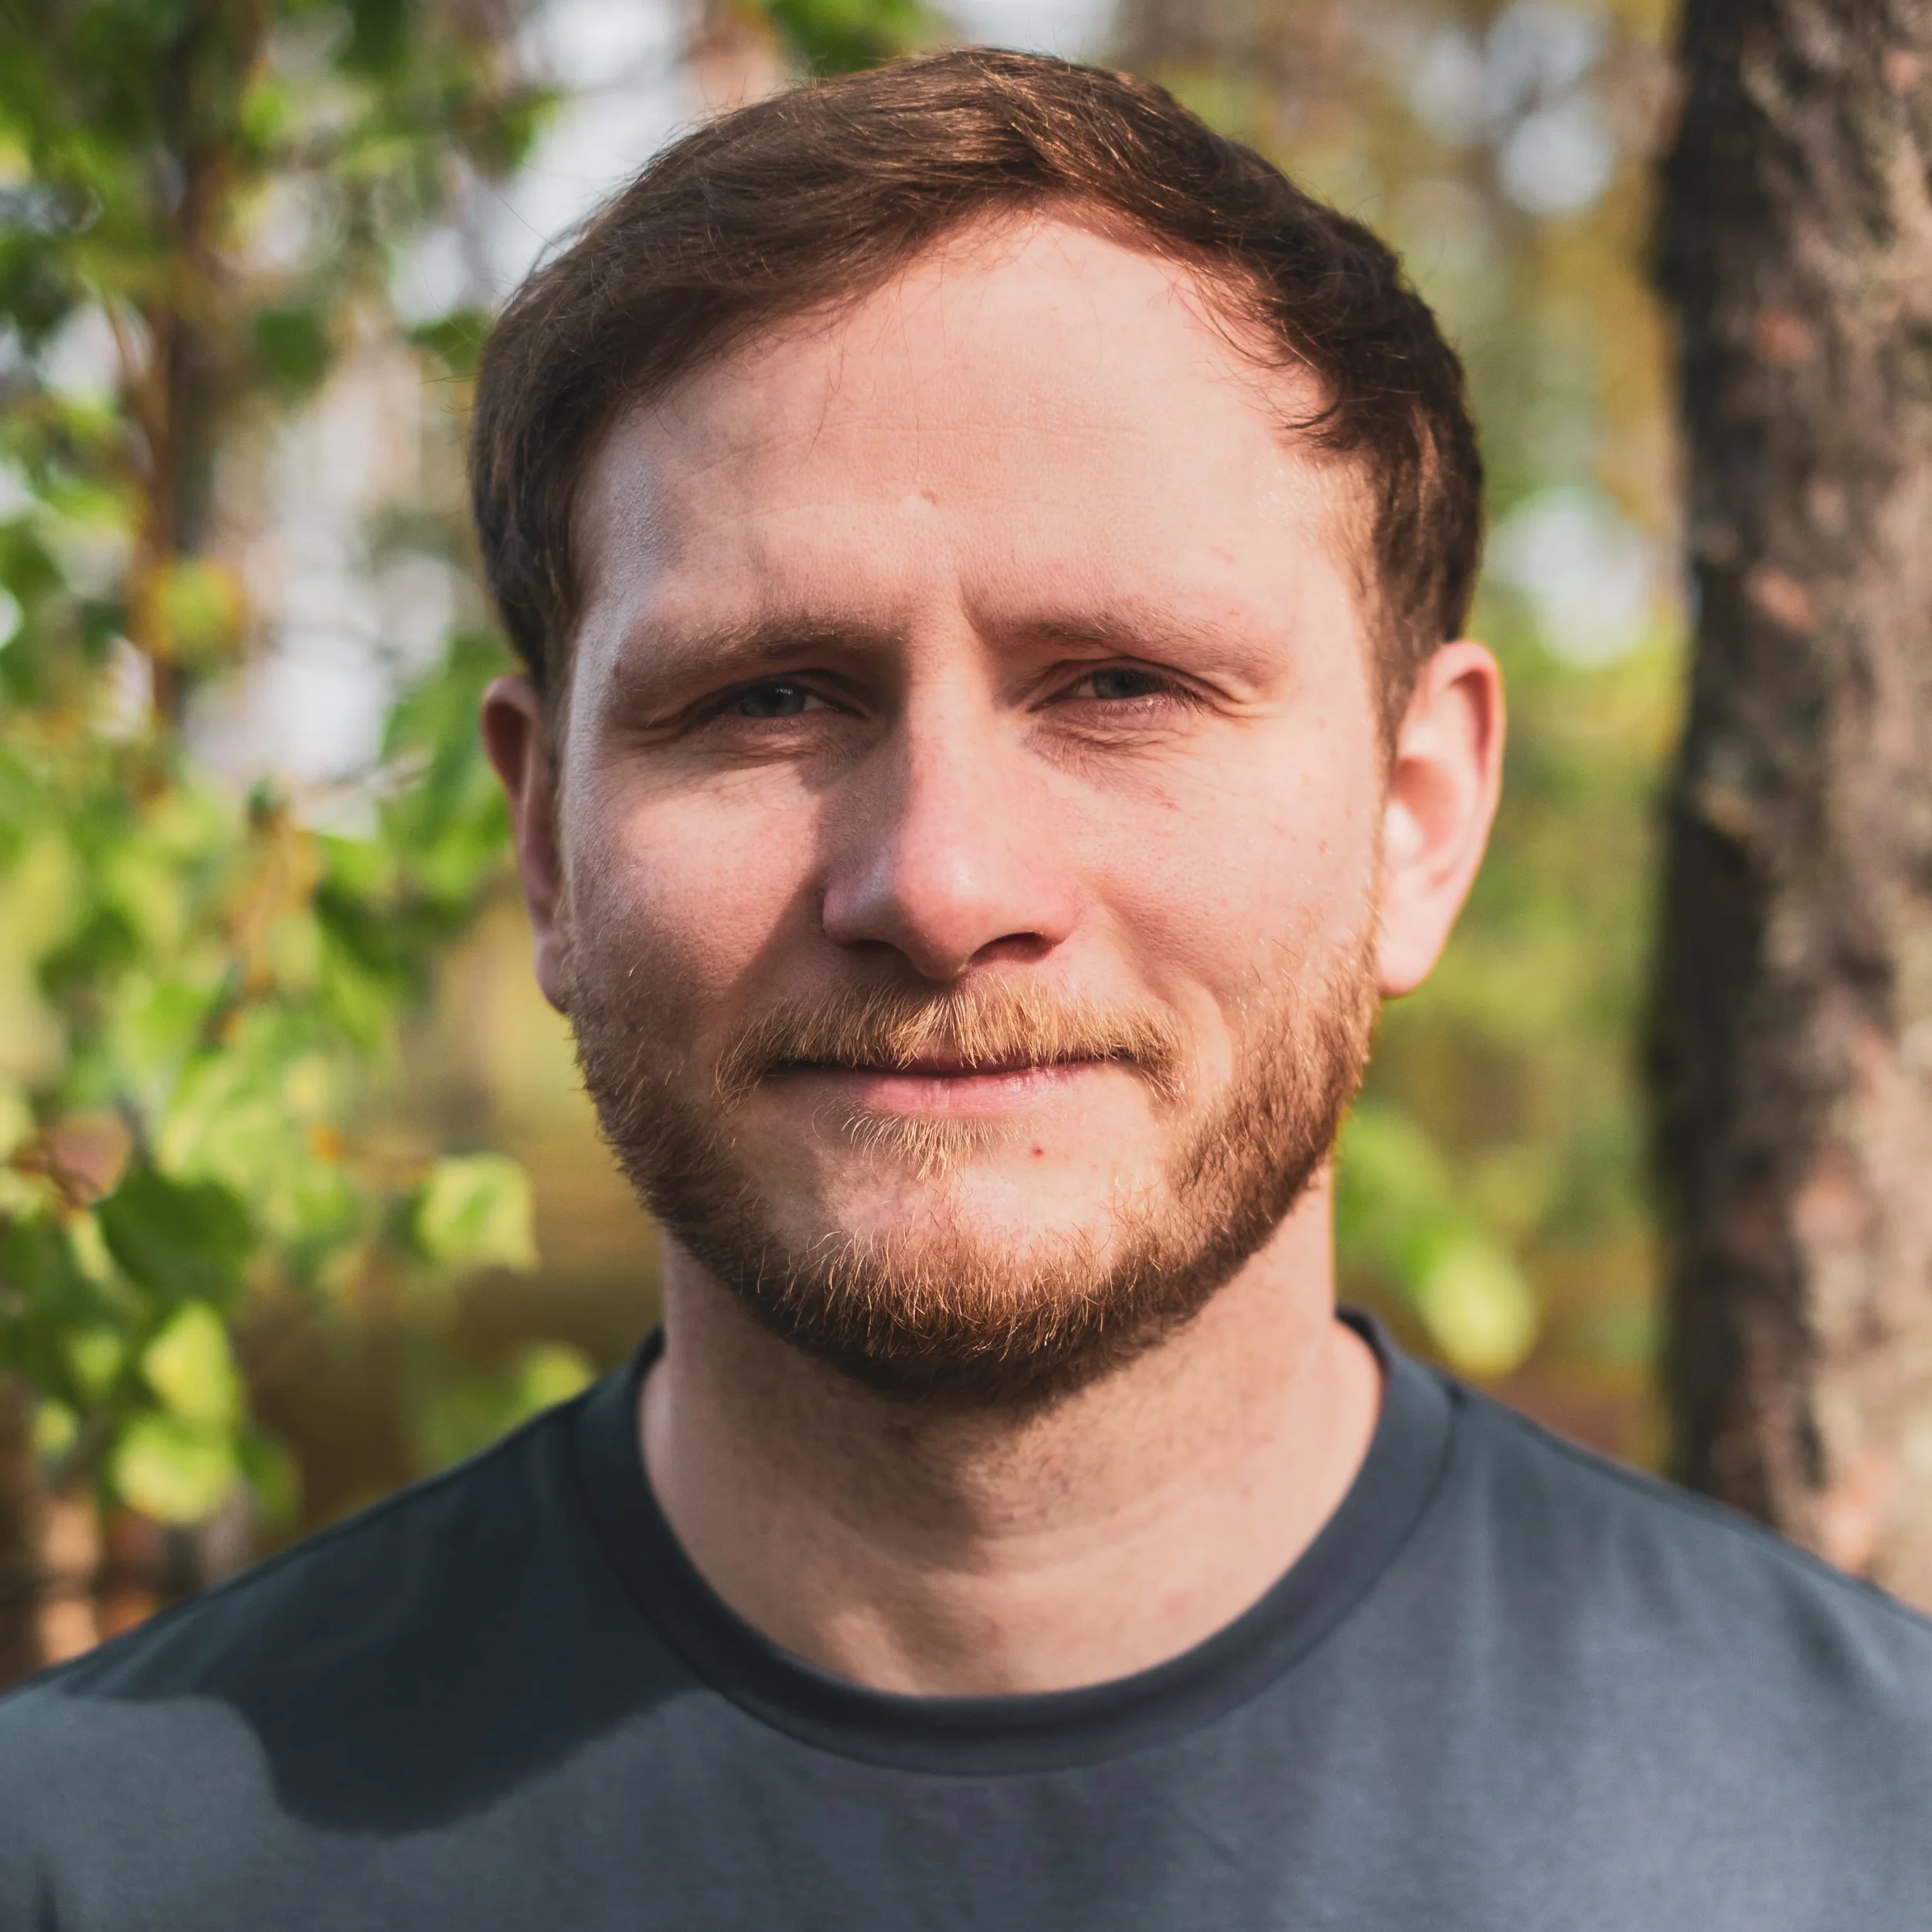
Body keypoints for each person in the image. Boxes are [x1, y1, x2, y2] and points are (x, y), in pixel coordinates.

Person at [2, 47, 1928, 1931]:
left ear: (1417, 816)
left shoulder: (1871, 1829)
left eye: (1119, 683)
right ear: (543, 844)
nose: (935, 883)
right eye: (766, 695)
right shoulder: (91, 1859)